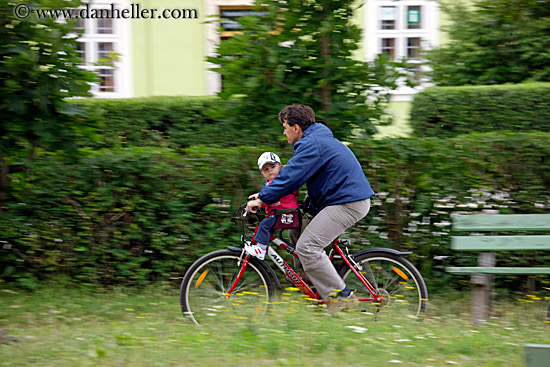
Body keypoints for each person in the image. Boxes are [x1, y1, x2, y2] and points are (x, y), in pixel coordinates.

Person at [247, 104, 375, 302]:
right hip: (339, 200)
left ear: (296, 128)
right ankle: (314, 284)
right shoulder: (315, 141)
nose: (284, 132)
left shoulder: (312, 145)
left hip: (347, 203)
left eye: (285, 127)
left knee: (307, 247)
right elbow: (290, 177)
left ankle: (342, 299)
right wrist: (264, 194)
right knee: (297, 228)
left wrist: (263, 198)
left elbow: (290, 177)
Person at [244, 152, 299, 260]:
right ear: (262, 174)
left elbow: (272, 196)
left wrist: (260, 200)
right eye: (266, 169)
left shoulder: (281, 181)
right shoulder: (270, 184)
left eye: (273, 166)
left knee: (264, 225)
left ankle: (261, 249)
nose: (270, 170)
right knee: (265, 224)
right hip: (280, 213)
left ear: (280, 166)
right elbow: (268, 196)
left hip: (287, 212)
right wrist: (258, 199)